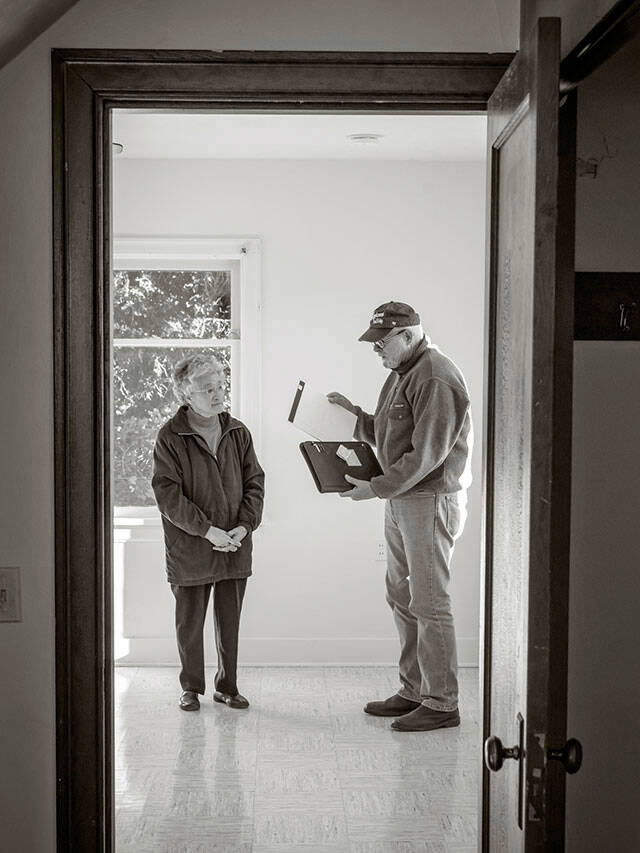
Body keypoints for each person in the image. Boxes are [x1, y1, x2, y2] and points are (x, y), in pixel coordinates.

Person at [328, 301, 472, 732]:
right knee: (400, 594)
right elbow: (391, 435)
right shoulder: (403, 374)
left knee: (429, 601)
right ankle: (413, 691)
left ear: (408, 335)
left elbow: (427, 454)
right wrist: (354, 416)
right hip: (402, 499)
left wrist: (376, 487)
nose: (377, 351)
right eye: (374, 343)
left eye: (382, 342)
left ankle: (442, 702)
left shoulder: (435, 376)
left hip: (427, 500)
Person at [152, 353, 264, 712]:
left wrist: (244, 527)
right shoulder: (170, 437)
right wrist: (208, 531)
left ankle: (227, 686)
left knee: (229, 622)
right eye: (207, 389)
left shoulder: (238, 431)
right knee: (190, 623)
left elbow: (255, 483)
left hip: (234, 544)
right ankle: (191, 688)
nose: (217, 395)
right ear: (187, 395)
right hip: (191, 546)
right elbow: (168, 495)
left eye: (219, 387)